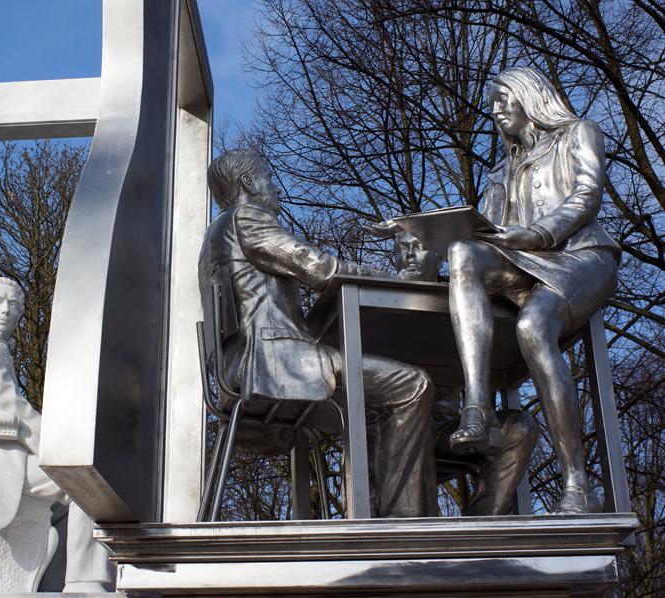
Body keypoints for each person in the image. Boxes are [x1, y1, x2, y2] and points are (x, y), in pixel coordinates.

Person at [199, 150, 435, 518]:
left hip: (238, 369)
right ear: (247, 183)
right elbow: (319, 267)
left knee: (373, 408)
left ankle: (370, 513)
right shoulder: (248, 217)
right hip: (275, 362)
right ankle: (403, 521)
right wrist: (396, 279)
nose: (275, 188)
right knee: (413, 385)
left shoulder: (213, 236)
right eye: (268, 177)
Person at [445, 67, 620, 514]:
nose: (496, 110)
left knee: (533, 326)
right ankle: (478, 408)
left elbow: (587, 197)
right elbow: (483, 232)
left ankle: (578, 486)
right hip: (525, 260)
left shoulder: (579, 132)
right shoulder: (499, 170)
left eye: (504, 99)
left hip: (581, 255)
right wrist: (422, 243)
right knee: (462, 252)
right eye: (492, 105)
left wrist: (539, 233)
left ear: (530, 96)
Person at [0, 277, 111, 590]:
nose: (6, 309)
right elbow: (13, 411)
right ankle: (83, 581)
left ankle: (66, 580)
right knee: (85, 483)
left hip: (5, 455)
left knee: (81, 484)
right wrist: (62, 447)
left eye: (14, 305)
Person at [394, 231, 539, 516]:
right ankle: (425, 534)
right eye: (402, 248)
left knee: (520, 426)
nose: (409, 255)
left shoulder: (471, 307)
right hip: (398, 428)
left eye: (420, 247)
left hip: (450, 430)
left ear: (440, 257)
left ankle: (484, 524)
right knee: (415, 422)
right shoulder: (377, 299)